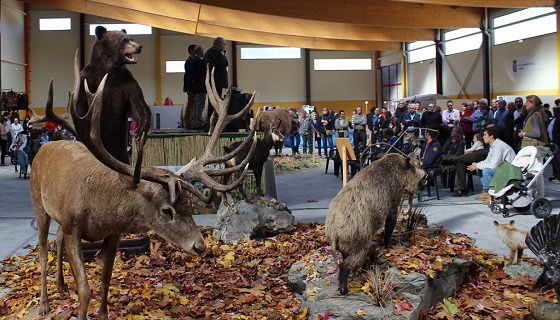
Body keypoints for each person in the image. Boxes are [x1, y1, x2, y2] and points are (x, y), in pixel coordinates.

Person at [453, 126, 516, 201]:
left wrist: (478, 165)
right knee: (479, 168)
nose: (483, 137)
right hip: (502, 168)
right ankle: (486, 191)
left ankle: (494, 195)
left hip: (508, 171)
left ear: (491, 136)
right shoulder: (493, 145)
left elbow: (493, 165)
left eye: (485, 135)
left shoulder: (499, 146)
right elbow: (488, 160)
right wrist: (477, 165)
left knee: (486, 171)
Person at [203, 37, 228, 125]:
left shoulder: (208, 52)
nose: (224, 47)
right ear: (219, 43)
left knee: (211, 102)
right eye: (223, 44)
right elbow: (224, 63)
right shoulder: (216, 52)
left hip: (211, 81)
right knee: (215, 103)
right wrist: (225, 58)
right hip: (216, 82)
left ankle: (210, 121)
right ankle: (213, 122)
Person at [190, 45, 206, 130]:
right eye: (203, 51)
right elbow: (202, 73)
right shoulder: (198, 61)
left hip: (196, 87)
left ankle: (196, 122)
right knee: (200, 105)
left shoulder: (194, 61)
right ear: (200, 51)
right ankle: (199, 123)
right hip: (200, 87)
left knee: (197, 105)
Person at [182, 44, 196, 129]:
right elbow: (189, 76)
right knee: (190, 104)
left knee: (192, 104)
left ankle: (189, 121)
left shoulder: (191, 61)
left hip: (191, 87)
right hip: (191, 87)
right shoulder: (189, 62)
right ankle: (187, 122)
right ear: (191, 51)